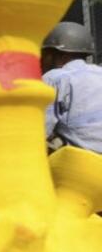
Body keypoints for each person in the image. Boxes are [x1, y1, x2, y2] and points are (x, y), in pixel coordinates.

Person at [42, 21, 102, 154]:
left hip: (87, 165)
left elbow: (39, 132)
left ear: (61, 55)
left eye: (45, 54)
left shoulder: (54, 78)